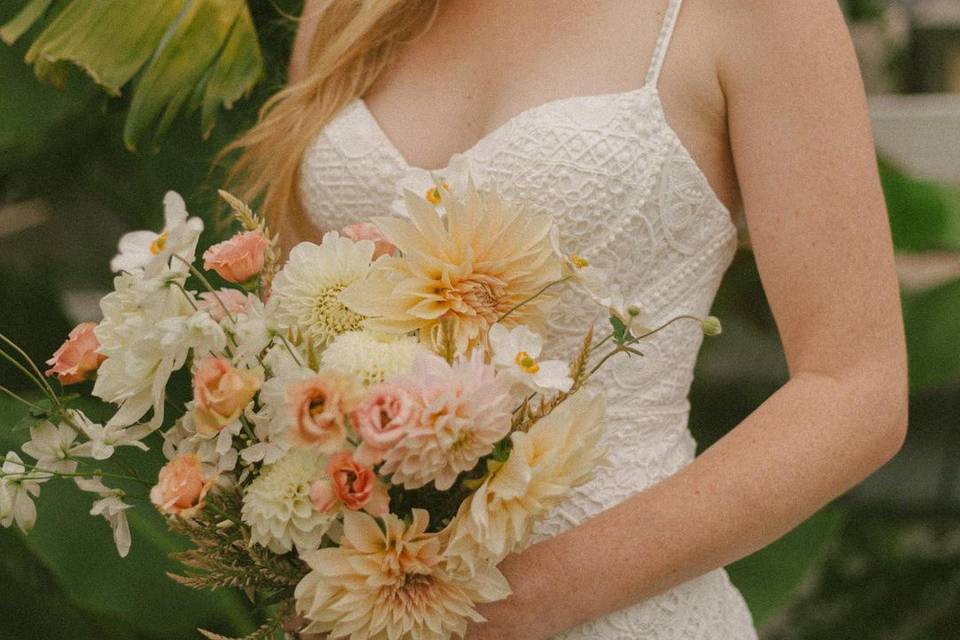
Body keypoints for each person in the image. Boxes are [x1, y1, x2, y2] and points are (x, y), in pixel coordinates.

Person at [227, 1, 908, 638]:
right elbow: (300, 345)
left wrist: (517, 601)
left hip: (621, 615)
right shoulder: (346, 12)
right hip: (373, 607)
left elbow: (854, 389)